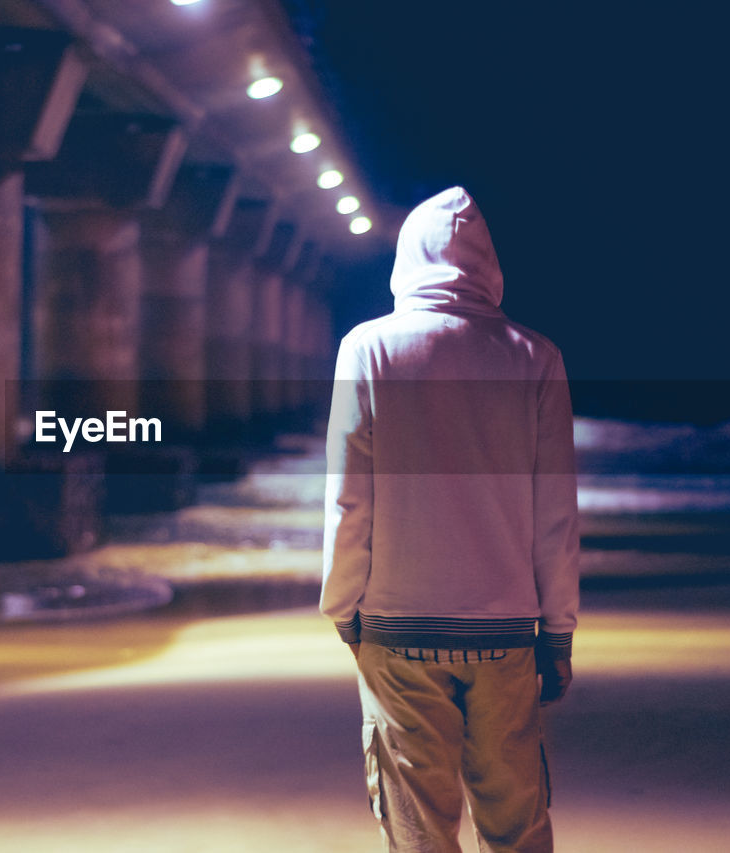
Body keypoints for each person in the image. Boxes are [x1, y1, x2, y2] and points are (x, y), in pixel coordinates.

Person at [322, 186, 579, 852]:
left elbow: (350, 497)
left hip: (396, 626)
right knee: (518, 826)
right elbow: (554, 513)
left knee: (416, 830)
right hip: (505, 633)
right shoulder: (535, 357)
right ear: (488, 265)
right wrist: (558, 630)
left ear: (409, 257)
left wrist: (342, 605)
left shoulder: (368, 350)